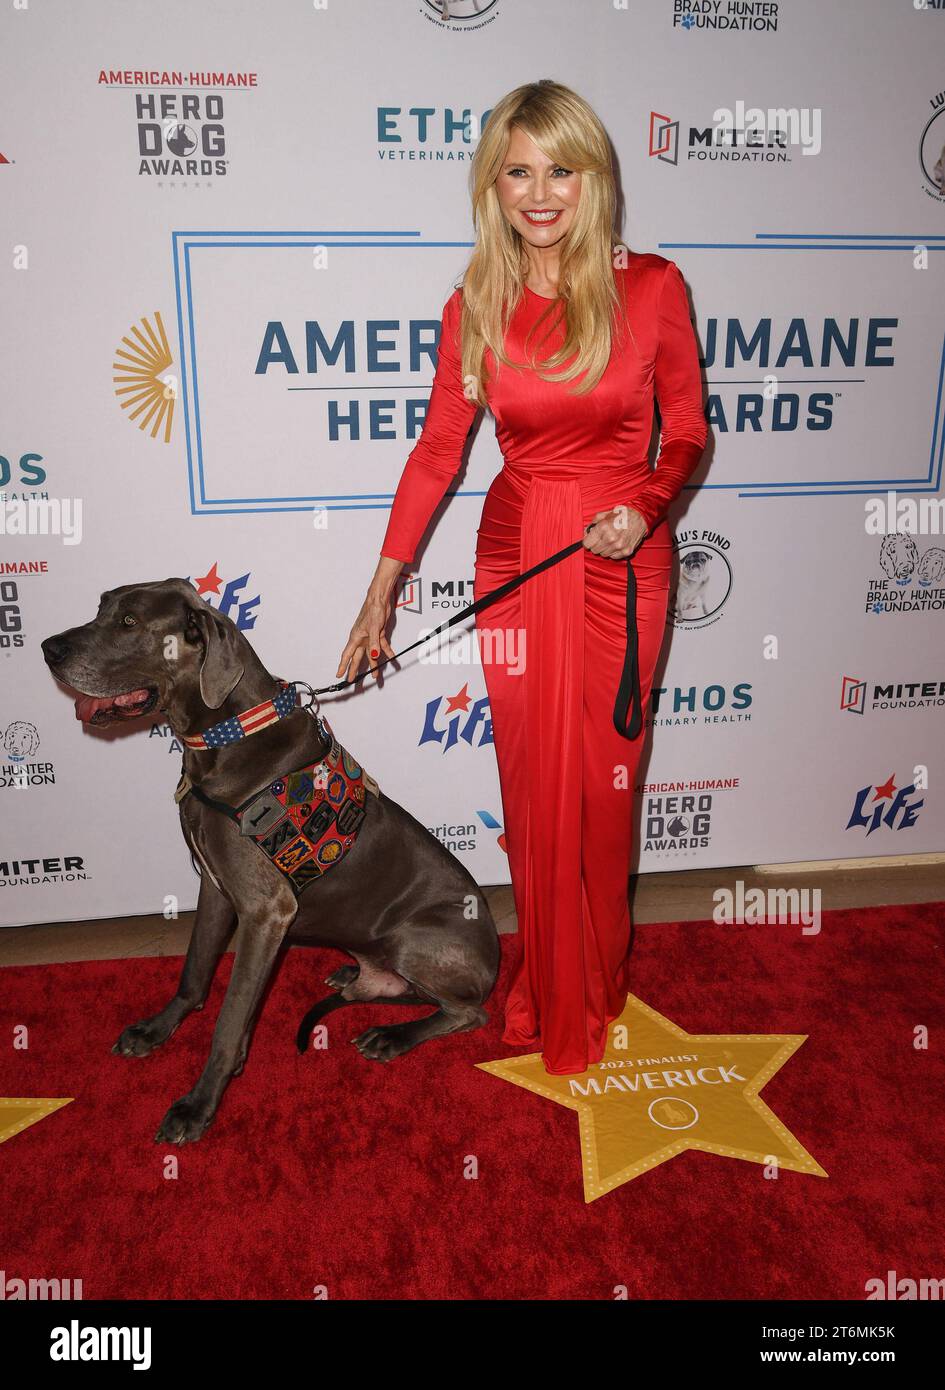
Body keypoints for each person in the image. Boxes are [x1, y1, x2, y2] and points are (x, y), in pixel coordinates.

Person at [337, 80, 708, 1076]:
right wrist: (382, 591)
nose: (539, 193)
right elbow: (434, 455)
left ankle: (596, 977)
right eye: (518, 171)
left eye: (560, 170)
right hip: (514, 555)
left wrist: (649, 507)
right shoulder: (476, 307)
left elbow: (691, 435)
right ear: (493, 184)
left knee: (602, 787)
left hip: (623, 563)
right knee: (533, 785)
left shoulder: (656, 289)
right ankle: (546, 980)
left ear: (594, 179)